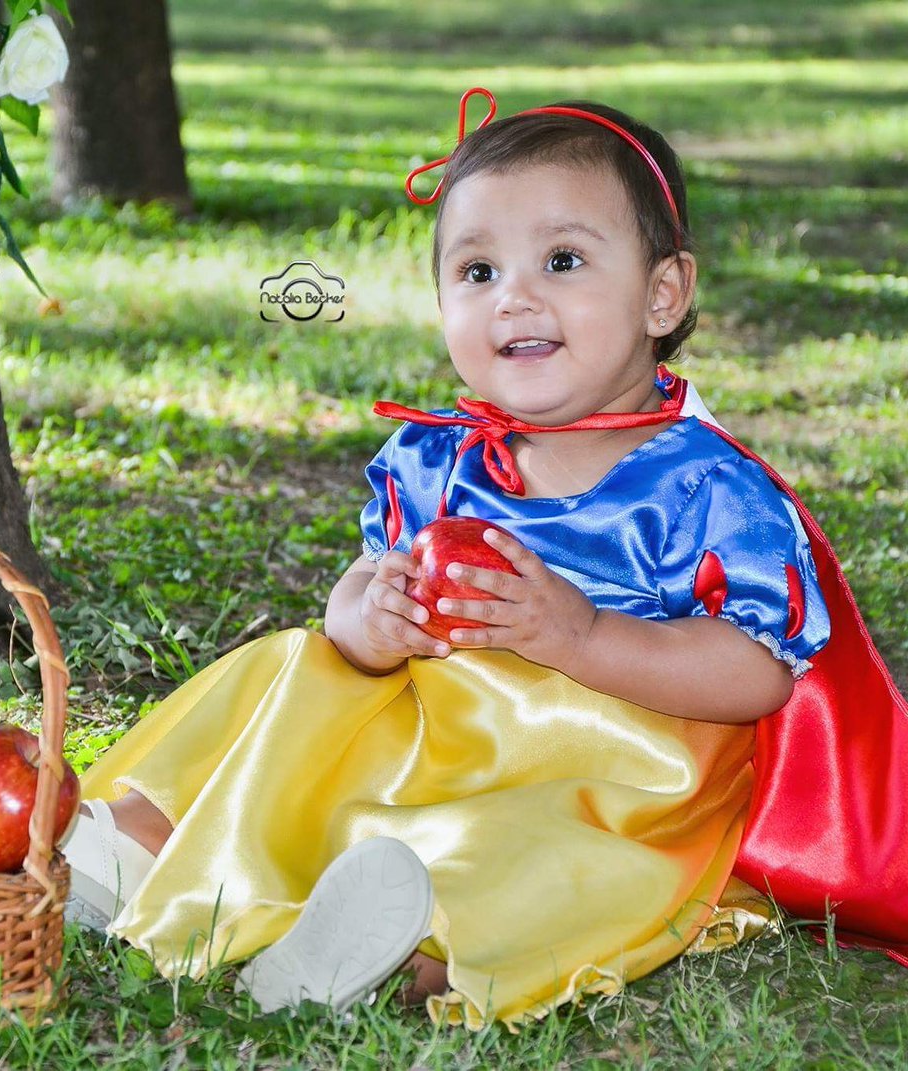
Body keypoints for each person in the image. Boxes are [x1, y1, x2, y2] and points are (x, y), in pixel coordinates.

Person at [64, 91, 908, 1029]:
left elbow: (759, 676)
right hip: (439, 725)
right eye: (476, 269)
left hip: (610, 770)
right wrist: (369, 619)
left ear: (662, 294)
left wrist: (580, 634)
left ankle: (408, 946)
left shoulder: (708, 487)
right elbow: (362, 584)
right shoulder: (444, 460)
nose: (513, 294)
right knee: (293, 663)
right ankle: (143, 841)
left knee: (543, 851)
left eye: (562, 260)